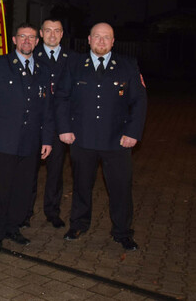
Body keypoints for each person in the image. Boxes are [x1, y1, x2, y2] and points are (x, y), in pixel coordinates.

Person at [55, 22, 147, 251]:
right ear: (89, 39)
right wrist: (64, 128)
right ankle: (78, 224)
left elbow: (139, 101)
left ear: (114, 41)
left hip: (117, 141)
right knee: (81, 185)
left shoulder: (128, 65)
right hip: (82, 139)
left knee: (121, 188)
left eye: (107, 38)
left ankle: (122, 232)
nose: (102, 42)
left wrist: (132, 133)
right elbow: (62, 98)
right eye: (97, 37)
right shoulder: (74, 64)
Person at [0, 23, 54, 254]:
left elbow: (46, 109)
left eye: (31, 37)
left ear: (37, 42)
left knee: (22, 190)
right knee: (0, 190)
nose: (26, 41)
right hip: (4, 139)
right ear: (14, 40)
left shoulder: (43, 71)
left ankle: (12, 229)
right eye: (22, 36)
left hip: (30, 140)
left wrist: (46, 139)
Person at [23, 18, 77, 229]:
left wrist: (133, 75)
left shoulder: (72, 58)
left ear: (62, 34)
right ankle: (25, 212)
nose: (52, 35)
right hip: (34, 124)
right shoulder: (30, 55)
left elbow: (99, 65)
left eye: (57, 31)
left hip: (59, 126)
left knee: (55, 172)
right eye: (48, 31)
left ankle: (52, 211)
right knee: (29, 172)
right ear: (41, 34)